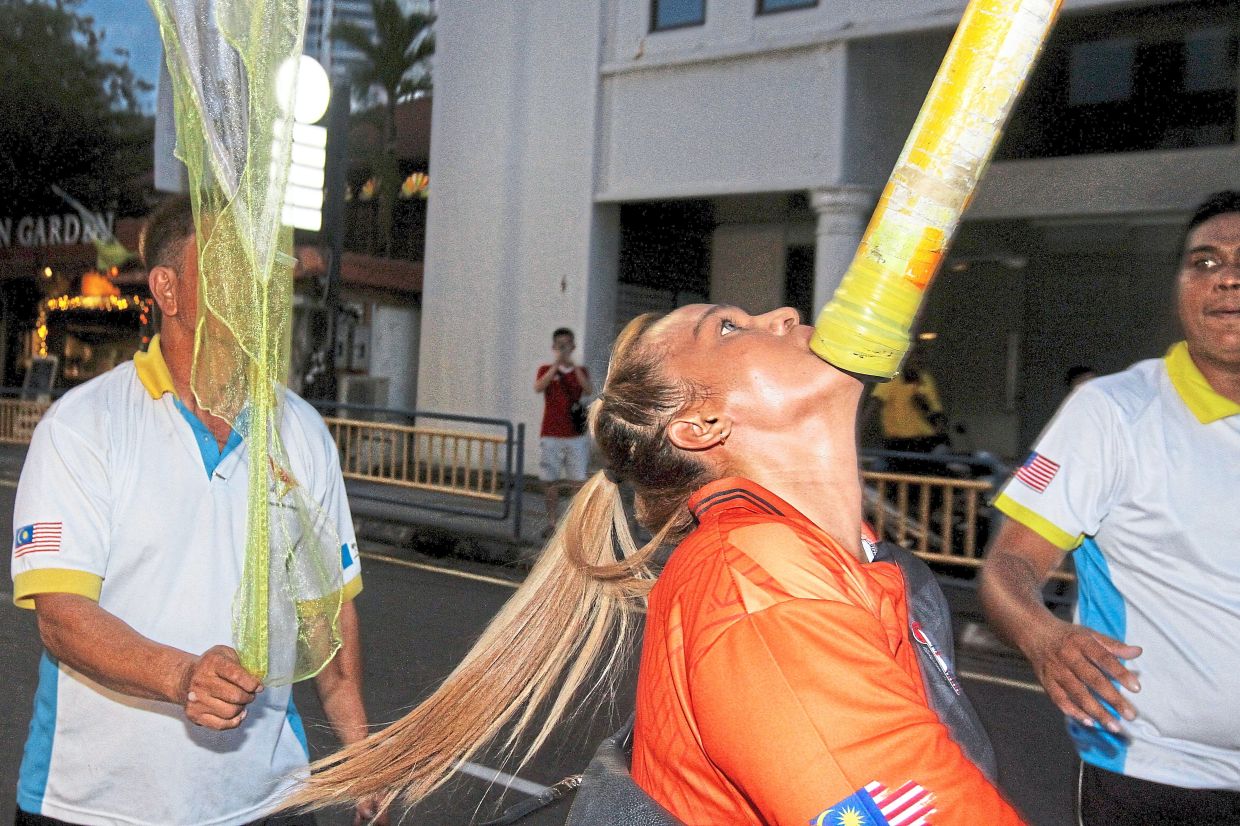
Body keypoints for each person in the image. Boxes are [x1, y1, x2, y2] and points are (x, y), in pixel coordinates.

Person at [289, 305, 1022, 824]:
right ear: (700, 427)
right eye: (731, 328)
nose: (788, 312)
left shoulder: (851, 562)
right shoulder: (755, 585)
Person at [10, 197, 386, 826]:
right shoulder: (83, 425)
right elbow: (62, 619)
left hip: (269, 800)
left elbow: (326, 610)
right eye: (230, 266)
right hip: (95, 806)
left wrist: (361, 753)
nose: (258, 287)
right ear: (168, 288)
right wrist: (183, 677)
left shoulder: (302, 430)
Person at [980, 191, 1240, 825]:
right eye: (1204, 262)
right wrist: (1043, 637)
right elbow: (1008, 564)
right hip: (1154, 778)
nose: (1226, 279)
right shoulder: (1114, 411)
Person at [533, 327, 593, 536]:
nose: (564, 348)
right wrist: (557, 364)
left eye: (567, 345)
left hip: (575, 436)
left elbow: (588, 390)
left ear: (574, 346)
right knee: (550, 480)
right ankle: (552, 522)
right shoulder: (545, 369)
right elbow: (539, 387)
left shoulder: (580, 371)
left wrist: (572, 365)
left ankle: (575, 525)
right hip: (550, 433)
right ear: (554, 347)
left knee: (578, 480)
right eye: (560, 345)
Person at [868, 347, 950, 455]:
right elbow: (875, 405)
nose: (917, 363)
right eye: (914, 359)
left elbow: (936, 412)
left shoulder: (925, 380)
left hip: (926, 439)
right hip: (899, 442)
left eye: (920, 360)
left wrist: (925, 405)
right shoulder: (892, 379)